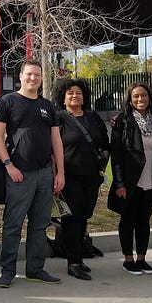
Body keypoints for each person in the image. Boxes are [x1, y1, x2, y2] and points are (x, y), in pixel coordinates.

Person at [0, 60, 65, 288]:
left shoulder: (47, 106)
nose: (33, 78)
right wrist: (8, 165)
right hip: (19, 174)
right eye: (29, 74)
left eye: (37, 75)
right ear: (21, 76)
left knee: (40, 223)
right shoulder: (8, 101)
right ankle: (7, 271)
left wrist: (60, 172)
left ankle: (35, 269)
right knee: (13, 224)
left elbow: (56, 140)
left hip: (44, 173)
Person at [52, 77, 109, 281]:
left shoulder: (93, 118)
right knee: (72, 218)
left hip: (92, 177)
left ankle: (79, 256)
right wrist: (56, 173)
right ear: (63, 97)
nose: (75, 96)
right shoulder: (58, 118)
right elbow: (52, 149)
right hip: (68, 177)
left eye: (78, 93)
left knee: (84, 216)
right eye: (70, 93)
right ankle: (73, 262)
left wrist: (102, 166)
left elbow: (104, 144)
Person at [109, 82, 152, 276]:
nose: (140, 100)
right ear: (130, 99)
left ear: (150, 98)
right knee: (128, 219)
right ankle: (128, 259)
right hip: (130, 181)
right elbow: (115, 155)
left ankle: (141, 258)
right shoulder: (123, 121)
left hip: (151, 179)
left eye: (143, 96)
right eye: (135, 97)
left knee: (144, 220)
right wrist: (119, 183)